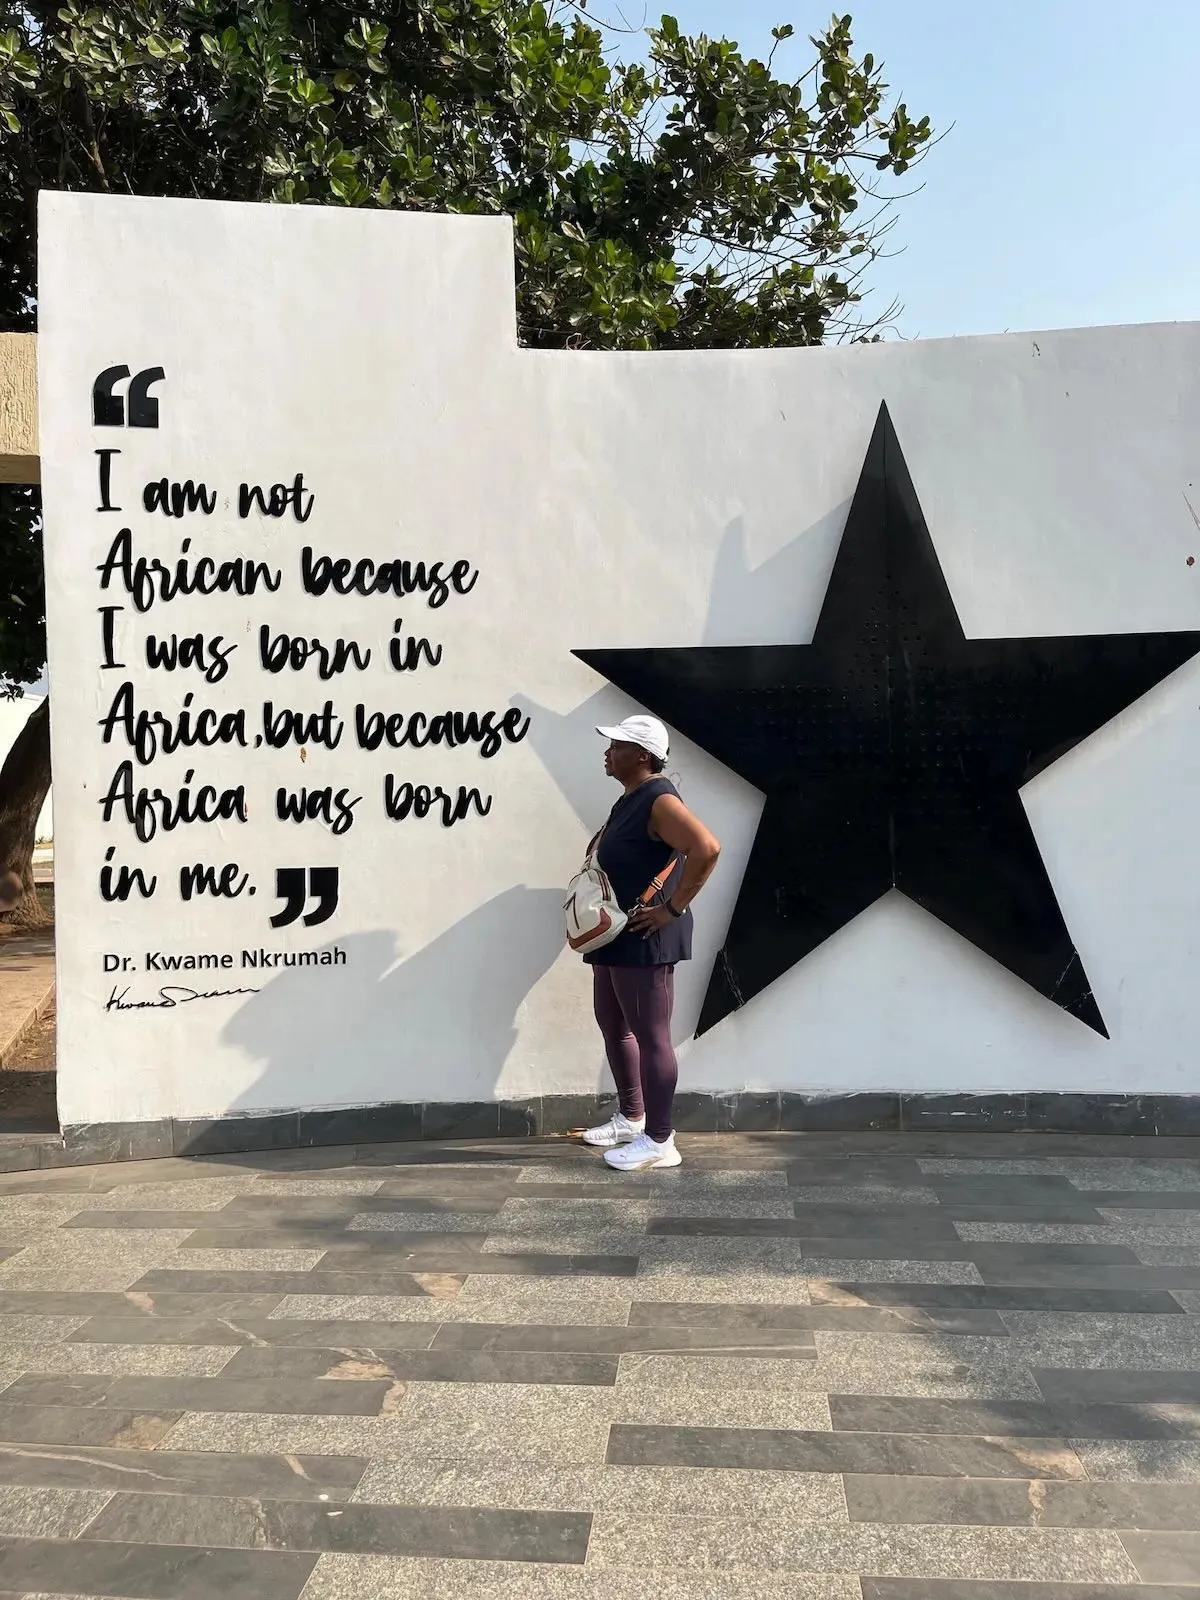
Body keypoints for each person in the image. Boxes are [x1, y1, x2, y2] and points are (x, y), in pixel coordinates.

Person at [581, 714, 721, 1171]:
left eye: (616, 744)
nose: (607, 751)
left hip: (647, 934)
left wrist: (672, 909)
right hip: (618, 930)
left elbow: (706, 847)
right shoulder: (630, 798)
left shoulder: (658, 800)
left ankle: (660, 1140)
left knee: (651, 1035)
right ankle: (631, 1117)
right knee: (612, 1022)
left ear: (642, 755)